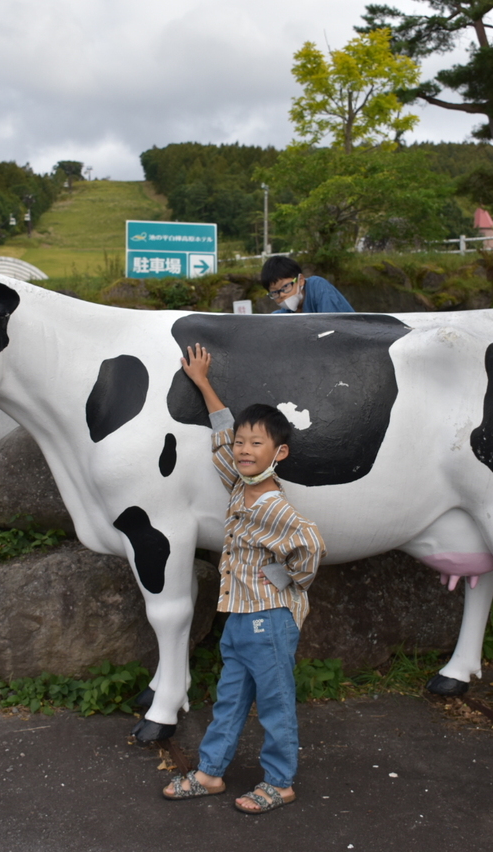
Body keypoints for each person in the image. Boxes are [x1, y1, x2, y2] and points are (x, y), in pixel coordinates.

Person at [162, 343, 326, 815]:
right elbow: (221, 439)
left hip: (269, 618)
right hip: (238, 617)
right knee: (229, 700)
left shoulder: (272, 505)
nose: (244, 449)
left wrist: (286, 579)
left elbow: (310, 544)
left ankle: (280, 782)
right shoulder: (239, 485)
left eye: (256, 444)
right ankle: (210, 773)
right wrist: (202, 382)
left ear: (280, 452)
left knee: (276, 704)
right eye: (242, 443)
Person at [260, 256, 353, 313]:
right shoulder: (284, 314)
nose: (282, 295)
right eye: (275, 292)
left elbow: (334, 327)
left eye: (285, 286)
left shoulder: (318, 287)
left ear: (301, 280)